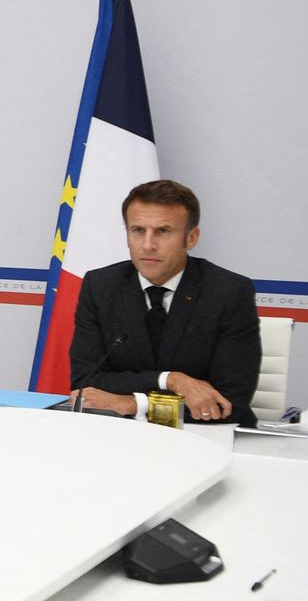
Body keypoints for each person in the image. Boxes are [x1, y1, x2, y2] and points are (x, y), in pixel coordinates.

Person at [69, 179, 261, 426]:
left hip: (205, 437)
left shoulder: (228, 292)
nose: (148, 245)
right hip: (122, 437)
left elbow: (228, 401)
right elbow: (85, 383)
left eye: (163, 231)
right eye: (138, 230)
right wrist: (171, 380)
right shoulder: (101, 286)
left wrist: (133, 404)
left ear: (191, 238)